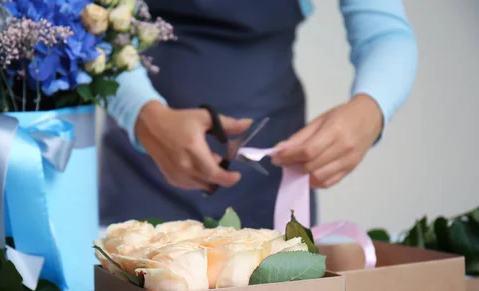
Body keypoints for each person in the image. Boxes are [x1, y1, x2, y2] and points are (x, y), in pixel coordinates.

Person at [100, 0, 418, 229]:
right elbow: (88, 29)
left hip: (271, 180)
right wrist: (141, 114)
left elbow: (385, 35)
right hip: (143, 169)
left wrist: (370, 110)